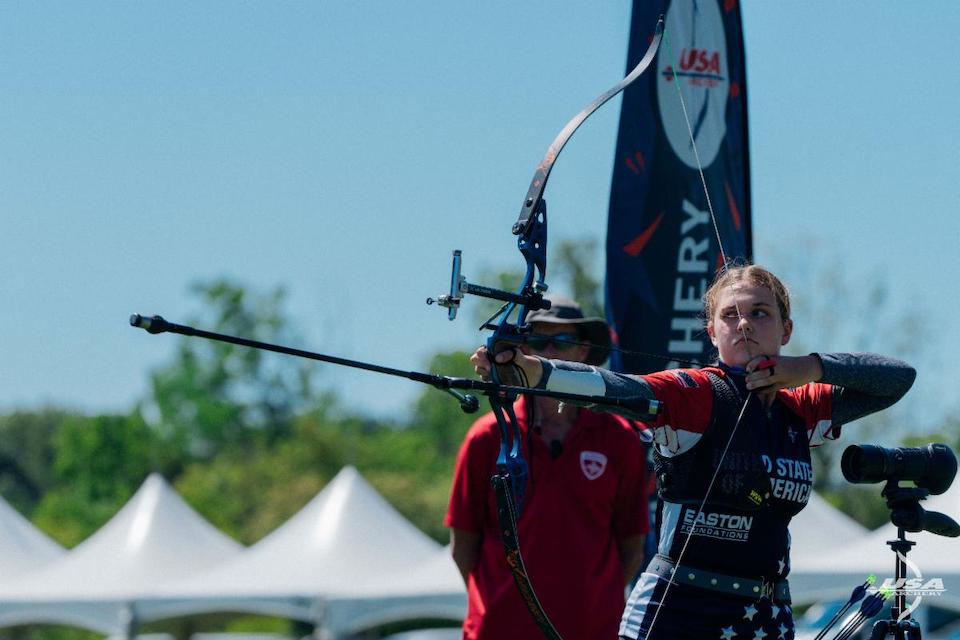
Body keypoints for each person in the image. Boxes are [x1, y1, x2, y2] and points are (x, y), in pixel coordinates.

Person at [470, 265, 916, 640]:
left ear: (786, 329)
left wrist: (809, 367)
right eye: (730, 316)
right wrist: (533, 370)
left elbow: (899, 378)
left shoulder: (800, 405)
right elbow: (617, 388)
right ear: (712, 332)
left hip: (765, 616)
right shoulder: (696, 393)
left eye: (760, 313)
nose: (744, 325)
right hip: (679, 612)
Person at [446, 295, 651, 640]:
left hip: (592, 631)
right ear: (523, 350)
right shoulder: (486, 436)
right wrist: (500, 602)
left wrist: (591, 601)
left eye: (564, 341)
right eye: (538, 341)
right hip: (498, 630)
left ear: (583, 351)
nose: (550, 352)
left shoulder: (619, 438)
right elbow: (463, 544)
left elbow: (632, 545)